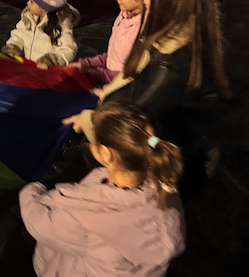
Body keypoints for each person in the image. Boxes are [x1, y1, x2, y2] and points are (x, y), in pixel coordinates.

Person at [63, 0, 231, 198]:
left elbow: (131, 111)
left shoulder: (170, 62)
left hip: (159, 166)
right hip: (168, 150)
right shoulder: (177, 36)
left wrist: (91, 120)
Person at [20, 102, 185, 277]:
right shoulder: (164, 184)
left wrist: (30, 191)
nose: (91, 144)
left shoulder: (83, 217)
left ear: (106, 154)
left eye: (93, 139)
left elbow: (39, 224)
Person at [2, 0, 80, 67]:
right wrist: (13, 48)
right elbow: (19, 35)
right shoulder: (28, 18)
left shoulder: (60, 25)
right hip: (27, 67)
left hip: (46, 72)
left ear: (44, 7)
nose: (27, 3)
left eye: (32, 2)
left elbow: (68, 49)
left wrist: (51, 61)